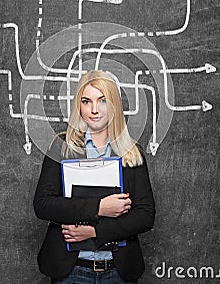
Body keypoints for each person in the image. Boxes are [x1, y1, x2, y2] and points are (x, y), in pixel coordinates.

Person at [33, 70, 155, 283]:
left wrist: (94, 232)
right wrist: (98, 208)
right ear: (78, 106)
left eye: (102, 101)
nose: (94, 110)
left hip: (118, 270)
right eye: (86, 101)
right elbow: (43, 204)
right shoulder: (62, 147)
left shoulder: (132, 153)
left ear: (114, 105)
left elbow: (145, 216)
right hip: (72, 270)